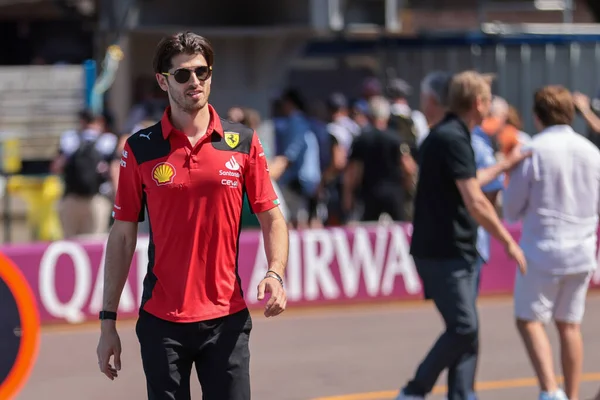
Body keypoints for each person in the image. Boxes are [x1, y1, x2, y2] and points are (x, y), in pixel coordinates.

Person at [96, 31, 289, 400]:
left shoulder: (243, 141)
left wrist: (275, 272)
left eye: (202, 72)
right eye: (183, 75)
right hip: (161, 324)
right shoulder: (139, 148)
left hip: (228, 318)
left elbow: (273, 218)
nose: (195, 81)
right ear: (162, 80)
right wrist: (108, 324)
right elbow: (121, 237)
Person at [396, 70, 528, 400]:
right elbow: (475, 200)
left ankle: (462, 394)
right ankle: (415, 390)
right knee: (464, 327)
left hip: (456, 248)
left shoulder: (452, 135)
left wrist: (503, 165)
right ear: (478, 103)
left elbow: (468, 179)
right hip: (444, 250)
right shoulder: (452, 138)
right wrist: (508, 241)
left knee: (467, 331)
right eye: (488, 101)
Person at [503, 85, 600, 400]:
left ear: (536, 115)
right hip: (583, 248)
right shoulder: (591, 151)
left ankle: (550, 390)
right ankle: (571, 395)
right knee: (569, 325)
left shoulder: (533, 149)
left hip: (543, 248)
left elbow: (512, 208)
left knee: (529, 320)